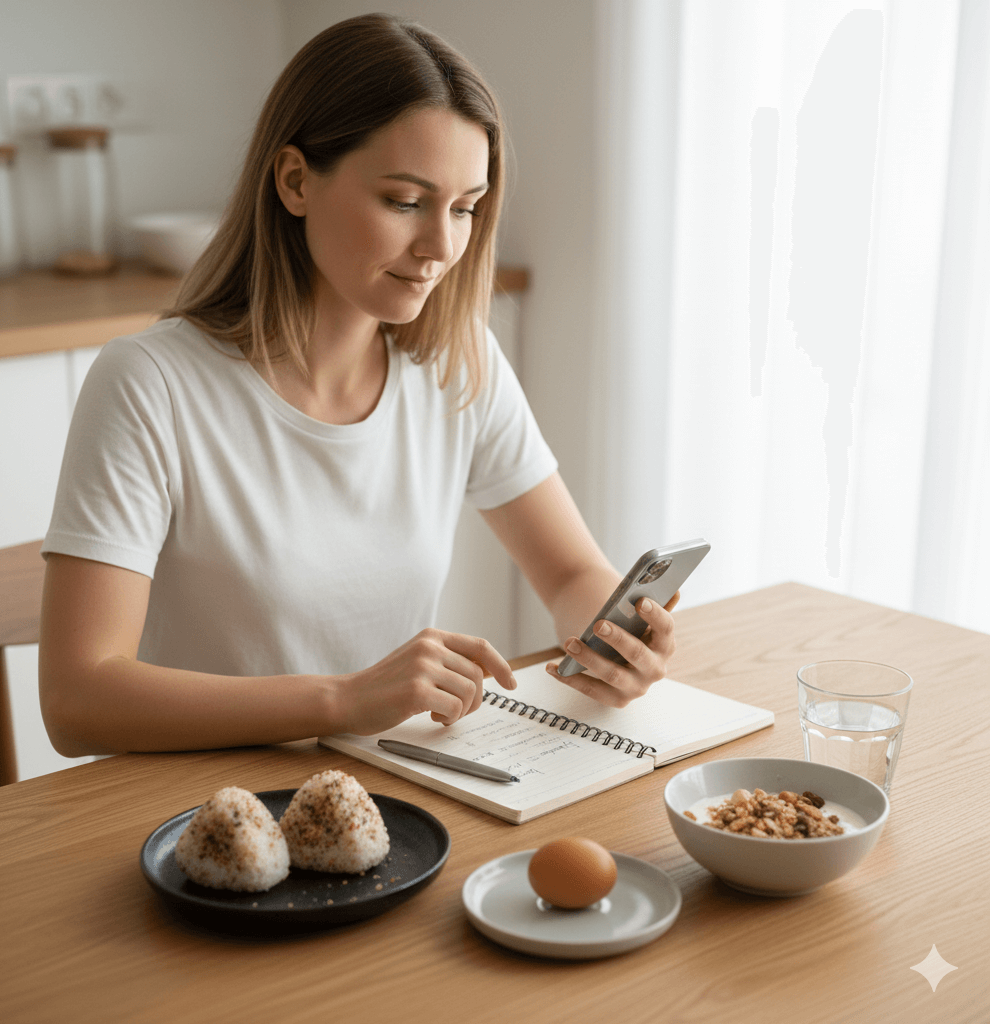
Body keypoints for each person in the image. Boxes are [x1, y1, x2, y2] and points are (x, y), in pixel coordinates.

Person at [38, 13, 678, 757]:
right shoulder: (150, 385)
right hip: (203, 815)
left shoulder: (456, 364)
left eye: (466, 208)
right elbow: (77, 699)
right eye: (405, 202)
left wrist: (613, 639)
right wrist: (340, 699)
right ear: (295, 181)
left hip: (389, 800)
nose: (441, 247)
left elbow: (570, 571)